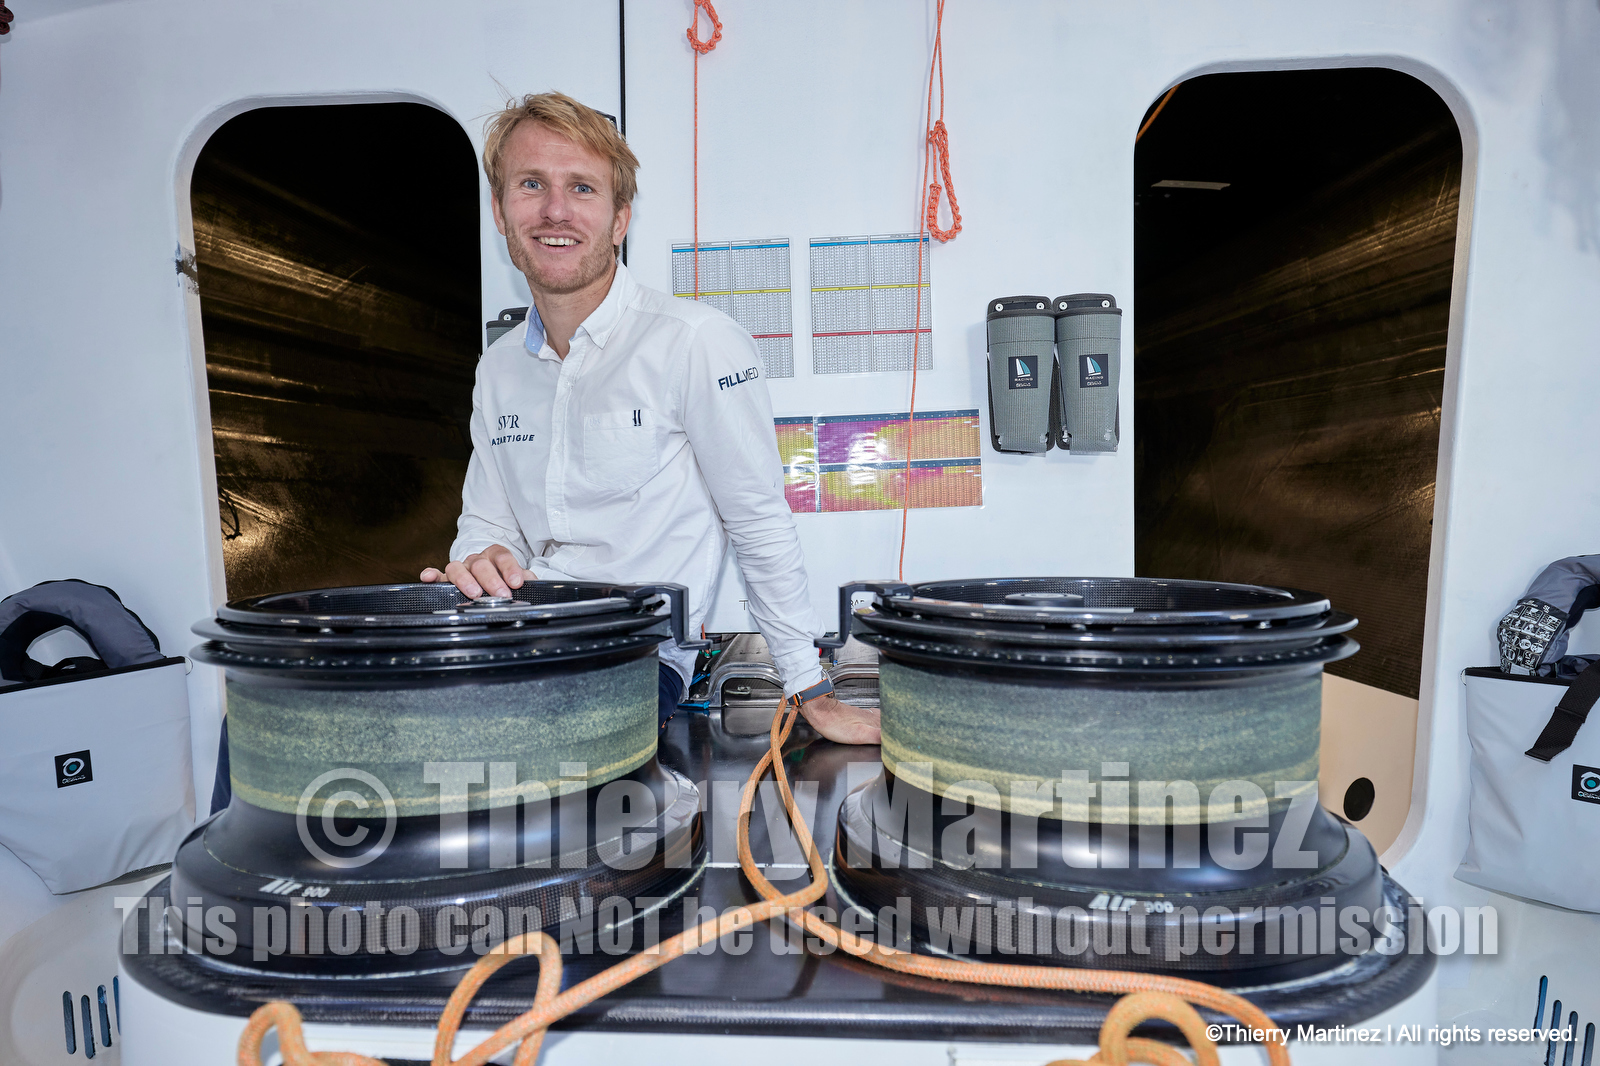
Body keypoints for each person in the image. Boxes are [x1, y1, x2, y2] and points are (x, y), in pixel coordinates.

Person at [421, 92, 877, 744]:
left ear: (619, 219)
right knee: (284, 724)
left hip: (633, 660)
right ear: (499, 211)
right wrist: (479, 559)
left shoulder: (694, 342)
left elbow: (757, 518)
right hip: (513, 642)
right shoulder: (497, 370)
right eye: (531, 185)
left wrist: (811, 689)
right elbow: (486, 527)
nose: (554, 209)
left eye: (581, 187)